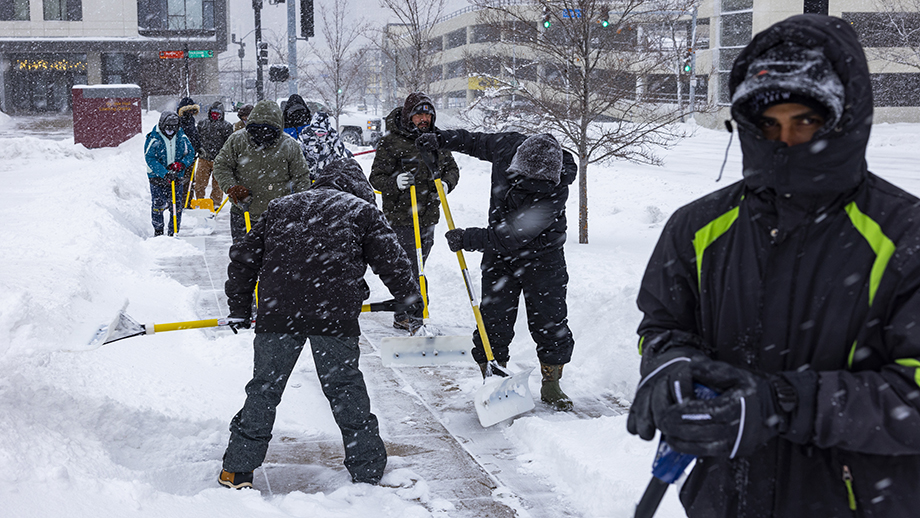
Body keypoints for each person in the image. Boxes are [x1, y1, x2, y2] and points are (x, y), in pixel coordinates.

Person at [626, 14, 920, 517]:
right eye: (768, 123)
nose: (784, 141)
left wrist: (782, 403)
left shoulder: (905, 236)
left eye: (805, 120)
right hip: (726, 498)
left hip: (858, 500)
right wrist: (670, 364)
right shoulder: (698, 228)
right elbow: (663, 325)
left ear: (845, 118)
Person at [217, 158, 422, 490]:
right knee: (345, 390)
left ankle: (237, 469)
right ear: (357, 187)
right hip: (334, 316)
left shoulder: (281, 207)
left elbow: (243, 256)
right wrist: (411, 302)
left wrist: (239, 306)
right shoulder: (362, 211)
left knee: (264, 389)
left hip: (278, 313)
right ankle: (367, 469)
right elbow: (394, 262)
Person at [415, 130, 577, 411]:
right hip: (500, 257)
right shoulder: (506, 146)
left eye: (534, 184)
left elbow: (513, 235)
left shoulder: (556, 187)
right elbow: (473, 141)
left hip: (543, 256)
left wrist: (468, 238)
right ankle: (493, 375)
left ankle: (551, 382)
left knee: (550, 320)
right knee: (493, 318)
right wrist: (440, 139)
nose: (525, 185)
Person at [369, 92, 460, 332]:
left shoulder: (436, 139)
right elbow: (376, 178)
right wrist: (395, 181)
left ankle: (405, 313)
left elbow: (452, 169)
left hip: (428, 215)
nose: (424, 119)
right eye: (419, 114)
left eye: (428, 114)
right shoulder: (390, 141)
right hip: (400, 216)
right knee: (410, 267)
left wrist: (446, 183)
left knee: (417, 265)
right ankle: (414, 316)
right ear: (409, 115)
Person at [212, 100, 312, 244]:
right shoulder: (238, 140)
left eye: (268, 131)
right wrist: (231, 187)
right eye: (257, 130)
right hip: (243, 212)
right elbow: (221, 165)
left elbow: (301, 177)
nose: (262, 136)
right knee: (243, 261)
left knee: (275, 261)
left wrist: (298, 206)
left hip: (278, 217)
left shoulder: (289, 145)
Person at [144, 111, 195, 236]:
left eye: (173, 128)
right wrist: (164, 173)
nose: (170, 130)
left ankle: (173, 231)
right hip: (157, 178)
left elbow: (190, 153)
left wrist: (181, 164)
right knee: (158, 205)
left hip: (177, 177)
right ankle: (158, 231)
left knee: (176, 206)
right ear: (162, 125)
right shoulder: (154, 138)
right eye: (168, 127)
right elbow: (150, 158)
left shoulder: (181, 137)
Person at [194, 101, 234, 209]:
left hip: (219, 161)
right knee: (199, 183)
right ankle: (200, 201)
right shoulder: (202, 124)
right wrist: (198, 149)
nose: (215, 114)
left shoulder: (227, 126)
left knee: (217, 185)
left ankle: (215, 203)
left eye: (217, 112)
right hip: (204, 158)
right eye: (213, 112)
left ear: (221, 113)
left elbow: (229, 144)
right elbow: (196, 138)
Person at [300, 111, 354, 179]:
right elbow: (298, 153)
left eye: (323, 133)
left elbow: (339, 155)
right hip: (308, 173)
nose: (320, 135)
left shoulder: (333, 136)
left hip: (327, 174)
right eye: (317, 132)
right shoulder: (305, 135)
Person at [177, 97, 202, 197]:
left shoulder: (191, 120)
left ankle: (188, 200)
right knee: (181, 179)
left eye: (193, 110)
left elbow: (195, 135)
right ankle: (179, 200)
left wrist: (198, 147)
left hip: (191, 155)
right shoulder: (178, 122)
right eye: (189, 110)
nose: (191, 112)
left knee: (191, 179)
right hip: (180, 156)